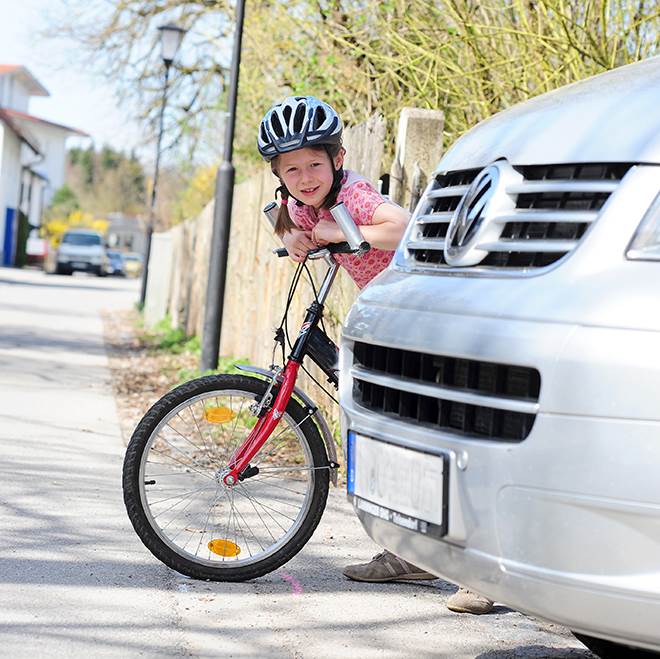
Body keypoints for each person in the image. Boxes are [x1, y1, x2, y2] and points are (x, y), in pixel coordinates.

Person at [258, 95, 493, 615]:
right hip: (386, 316)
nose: (304, 177)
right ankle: (409, 553)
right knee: (387, 432)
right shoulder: (298, 201)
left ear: (337, 160)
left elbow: (405, 226)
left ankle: (479, 569)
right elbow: (279, 216)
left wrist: (345, 231)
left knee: (433, 433)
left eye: (314, 164)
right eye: (290, 168)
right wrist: (295, 238)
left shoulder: (356, 195)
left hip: (432, 314)